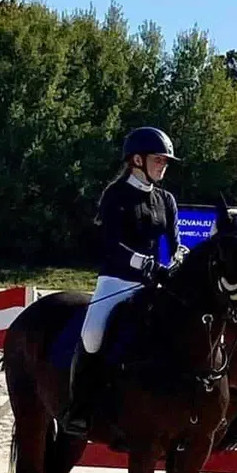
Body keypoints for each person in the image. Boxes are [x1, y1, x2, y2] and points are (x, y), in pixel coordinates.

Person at [57, 127, 186, 437]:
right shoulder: (116, 195)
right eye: (158, 159)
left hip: (156, 283)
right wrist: (143, 263)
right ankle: (79, 408)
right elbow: (110, 244)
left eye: (166, 161)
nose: (163, 165)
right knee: (92, 335)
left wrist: (180, 257)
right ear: (137, 160)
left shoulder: (166, 199)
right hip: (117, 280)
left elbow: (175, 241)